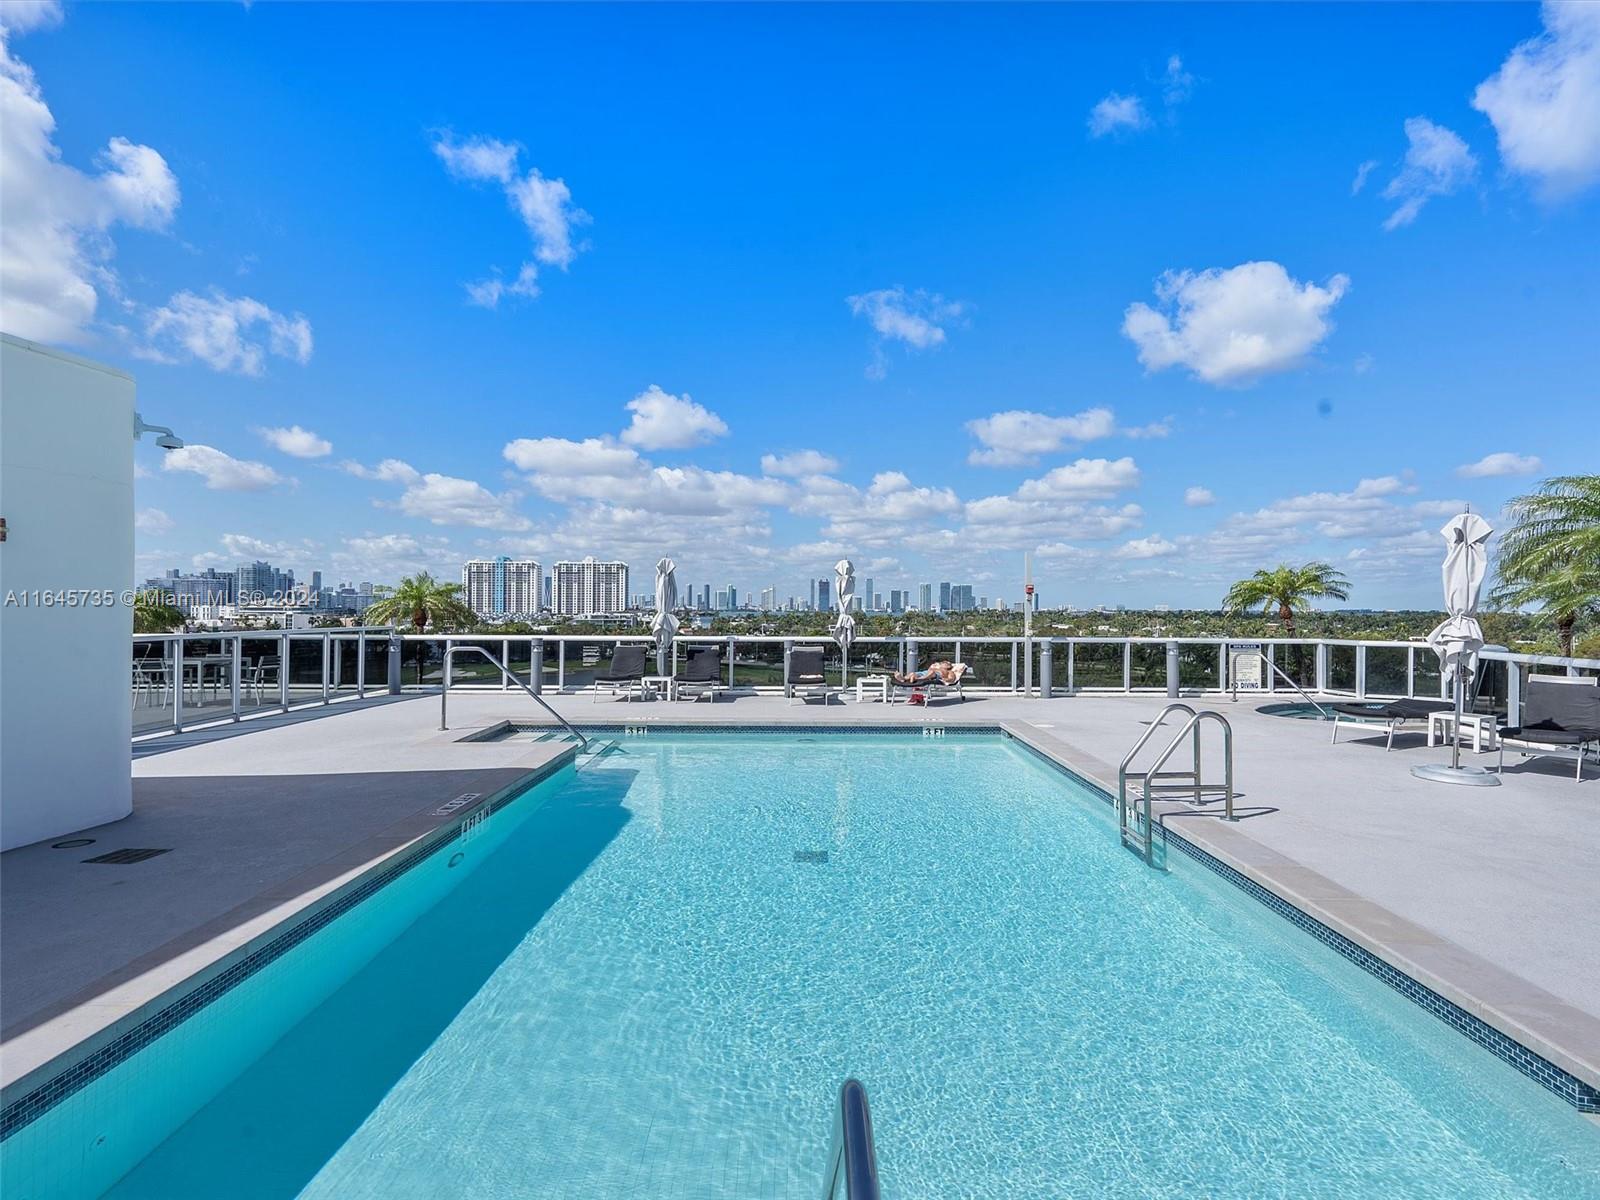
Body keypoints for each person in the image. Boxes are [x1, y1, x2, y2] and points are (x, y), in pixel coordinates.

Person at [893, 660, 967, 687]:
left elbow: (952, 679)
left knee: (932, 672)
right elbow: (929, 669)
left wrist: (945, 679)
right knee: (912, 673)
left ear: (948, 666)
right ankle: (903, 679)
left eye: (946, 663)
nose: (944, 663)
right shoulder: (937, 666)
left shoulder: (949, 671)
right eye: (943, 662)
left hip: (934, 675)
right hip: (925, 673)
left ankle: (917, 678)